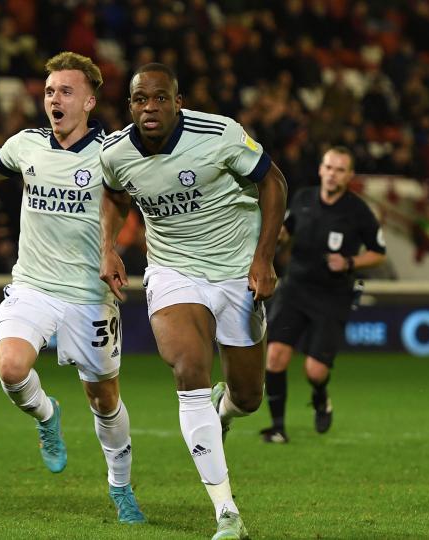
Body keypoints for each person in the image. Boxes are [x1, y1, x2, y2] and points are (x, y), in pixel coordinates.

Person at [0, 51, 145, 524]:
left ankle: (121, 487)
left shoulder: (111, 151)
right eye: (50, 91)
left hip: (89, 294)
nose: (55, 99)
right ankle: (47, 416)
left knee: (104, 398)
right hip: (33, 284)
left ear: (89, 100)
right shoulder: (27, 143)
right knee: (10, 368)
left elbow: (124, 201)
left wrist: (110, 249)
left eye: (66, 91)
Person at [98, 63, 287, 540]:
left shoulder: (220, 134)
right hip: (172, 270)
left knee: (248, 396)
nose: (150, 108)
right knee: (188, 369)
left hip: (236, 271)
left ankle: (226, 412)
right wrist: (108, 246)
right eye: (141, 100)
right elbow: (116, 196)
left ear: (177, 102)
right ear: (131, 107)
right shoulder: (116, 152)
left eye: (160, 98)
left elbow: (274, 183)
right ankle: (226, 511)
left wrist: (263, 258)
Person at [260, 146, 386, 443]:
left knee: (315, 371)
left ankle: (320, 395)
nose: (332, 174)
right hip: (295, 288)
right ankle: (278, 427)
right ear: (321, 169)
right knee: (275, 357)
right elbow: (287, 230)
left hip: (332, 296)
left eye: (340, 169)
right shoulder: (304, 198)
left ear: (349, 175)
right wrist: (280, 235)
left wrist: (351, 262)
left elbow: (378, 253)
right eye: (329, 167)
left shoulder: (357, 211)